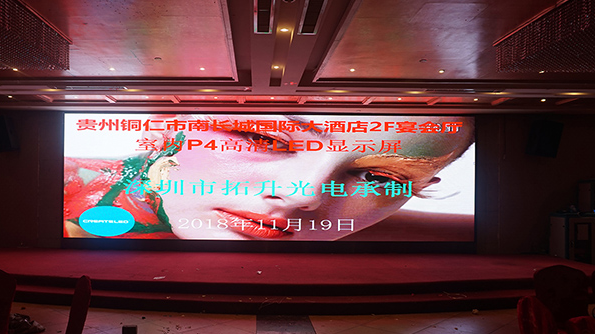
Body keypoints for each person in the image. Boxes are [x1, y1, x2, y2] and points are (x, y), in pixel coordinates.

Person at [64, 113, 474, 241]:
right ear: (164, 124)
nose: (304, 195)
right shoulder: (54, 194)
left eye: (381, 178)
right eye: (264, 138)